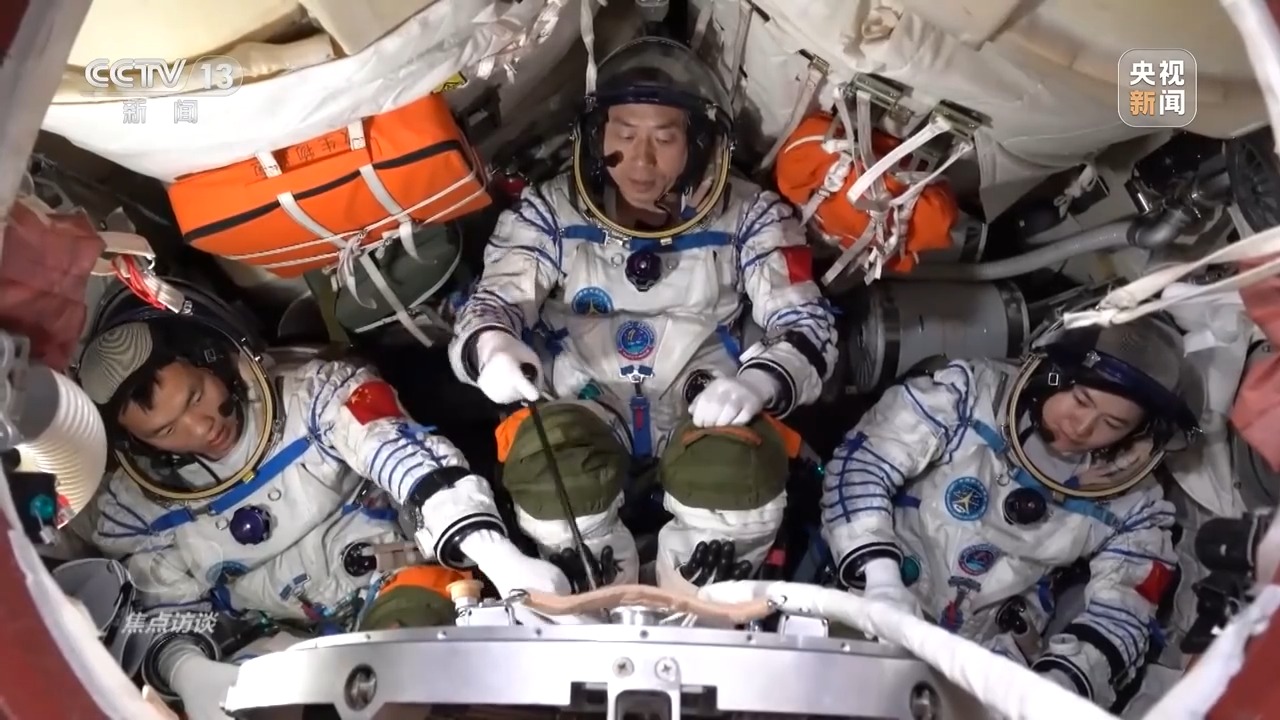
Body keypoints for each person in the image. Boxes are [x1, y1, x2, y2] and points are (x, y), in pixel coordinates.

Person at [448, 37, 837, 592]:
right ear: (596, 137)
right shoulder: (549, 211)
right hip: (584, 403)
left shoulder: (751, 215)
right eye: (625, 135)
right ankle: (589, 592)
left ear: (699, 143)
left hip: (703, 408)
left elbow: (807, 323)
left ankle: (701, 600)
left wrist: (760, 381)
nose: (641, 160)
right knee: (549, 464)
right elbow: (493, 302)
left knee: (736, 466)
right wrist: (491, 345)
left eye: (665, 138)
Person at [76, 281, 569, 716]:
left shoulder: (317, 393)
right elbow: (161, 608)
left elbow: (407, 458)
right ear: (138, 445)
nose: (201, 427)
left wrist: (490, 550)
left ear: (214, 357)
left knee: (405, 680)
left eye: (196, 395)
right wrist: (186, 669)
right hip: (280, 642)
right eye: (166, 431)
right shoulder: (134, 512)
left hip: (397, 589)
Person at [820, 316, 1201, 711]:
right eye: (1080, 400)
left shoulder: (1135, 505)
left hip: (986, 667)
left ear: (1137, 434)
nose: (1083, 427)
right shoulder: (966, 395)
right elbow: (865, 464)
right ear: (1054, 375)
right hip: (878, 597)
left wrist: (1060, 684)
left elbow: (1123, 612)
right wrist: (881, 579)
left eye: (1113, 423)